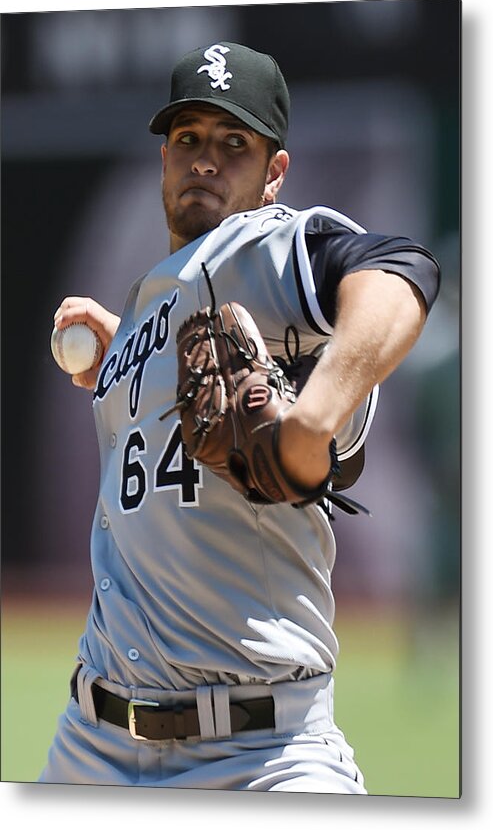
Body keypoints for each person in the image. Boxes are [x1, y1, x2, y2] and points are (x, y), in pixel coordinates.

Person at [39, 41, 440, 792]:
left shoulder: (260, 245)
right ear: (162, 158)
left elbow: (400, 268)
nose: (205, 160)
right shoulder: (150, 300)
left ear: (272, 175)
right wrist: (126, 351)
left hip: (259, 755)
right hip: (92, 744)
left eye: (234, 144)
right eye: (188, 138)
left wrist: (309, 422)